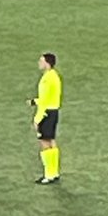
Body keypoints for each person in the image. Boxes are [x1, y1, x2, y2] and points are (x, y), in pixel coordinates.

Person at [29, 52, 62, 184]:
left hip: (46, 112)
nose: (39, 63)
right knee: (51, 141)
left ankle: (48, 174)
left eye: (41, 61)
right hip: (54, 111)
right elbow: (50, 96)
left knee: (44, 142)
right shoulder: (55, 76)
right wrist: (34, 101)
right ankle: (54, 172)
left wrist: (37, 119)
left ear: (47, 64)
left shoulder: (47, 79)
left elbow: (44, 101)